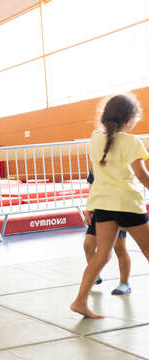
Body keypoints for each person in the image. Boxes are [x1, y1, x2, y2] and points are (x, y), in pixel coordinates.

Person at [71, 94, 149, 318]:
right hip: (128, 203)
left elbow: (95, 176)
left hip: (103, 204)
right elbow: (142, 176)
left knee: (102, 254)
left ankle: (80, 301)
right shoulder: (131, 142)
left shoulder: (95, 140)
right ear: (130, 119)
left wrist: (90, 205)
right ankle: (80, 301)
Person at [83, 171, 132, 295]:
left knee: (119, 248)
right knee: (88, 245)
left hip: (118, 208)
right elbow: (92, 185)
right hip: (100, 209)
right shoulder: (95, 160)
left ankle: (124, 282)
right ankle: (95, 273)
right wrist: (89, 208)